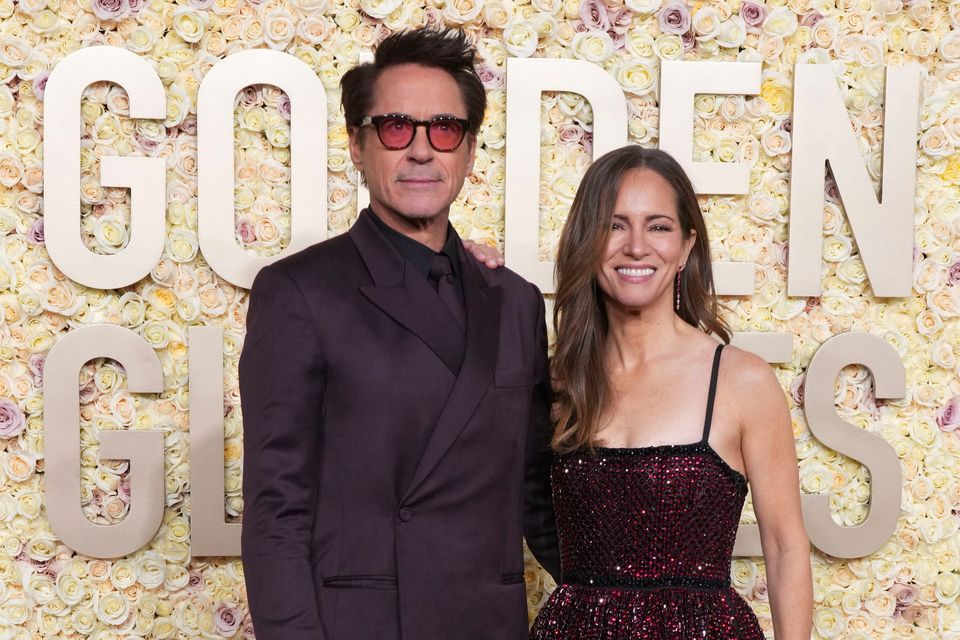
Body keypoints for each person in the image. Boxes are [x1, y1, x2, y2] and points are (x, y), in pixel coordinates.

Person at [238, 28, 559, 640]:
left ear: (467, 151)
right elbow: (276, 511)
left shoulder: (514, 300)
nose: (420, 151)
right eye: (394, 128)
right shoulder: (299, 291)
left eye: (444, 129)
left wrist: (648, 594)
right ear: (357, 146)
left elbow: (535, 493)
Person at [526, 146, 813, 639]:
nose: (636, 246)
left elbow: (786, 546)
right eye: (614, 225)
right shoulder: (555, 382)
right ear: (585, 242)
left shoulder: (742, 381)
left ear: (685, 248)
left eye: (658, 226)